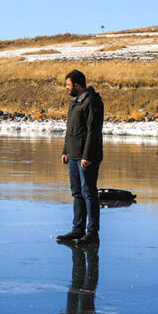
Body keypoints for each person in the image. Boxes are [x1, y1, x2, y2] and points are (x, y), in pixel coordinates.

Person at [57, 70, 104, 245]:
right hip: (74, 154)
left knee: (89, 193)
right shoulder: (74, 102)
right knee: (77, 193)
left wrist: (87, 156)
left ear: (77, 85)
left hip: (87, 157)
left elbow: (93, 130)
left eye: (68, 85)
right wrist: (65, 151)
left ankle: (92, 233)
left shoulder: (92, 101)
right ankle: (78, 229)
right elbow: (70, 129)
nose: (66, 88)